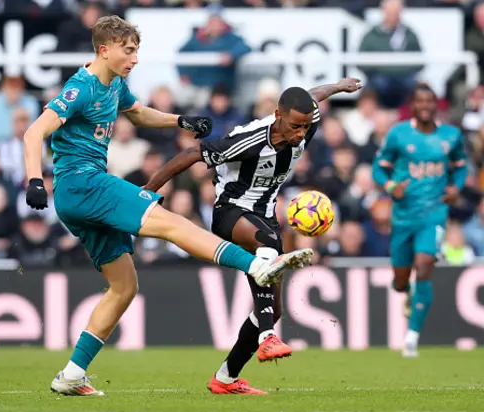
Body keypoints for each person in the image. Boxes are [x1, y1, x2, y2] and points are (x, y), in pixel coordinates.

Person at [23, 15, 289, 397]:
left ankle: (71, 374)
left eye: (136, 51)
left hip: (81, 195)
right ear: (104, 50)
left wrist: (180, 121)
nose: (134, 59)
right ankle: (256, 265)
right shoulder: (80, 88)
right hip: (83, 184)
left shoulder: (114, 84)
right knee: (171, 224)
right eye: (128, 51)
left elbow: (139, 113)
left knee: (124, 286)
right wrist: (34, 180)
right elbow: (35, 132)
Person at [144, 78, 363, 394]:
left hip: (265, 218)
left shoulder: (304, 126)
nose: (301, 134)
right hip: (230, 213)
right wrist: (149, 190)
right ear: (277, 115)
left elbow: (311, 97)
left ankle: (226, 378)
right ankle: (267, 338)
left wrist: (338, 86)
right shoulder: (250, 141)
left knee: (273, 310)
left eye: (305, 127)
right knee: (270, 246)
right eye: (295, 126)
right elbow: (193, 153)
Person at [372, 82, 467, 358]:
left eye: (430, 101)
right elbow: (379, 168)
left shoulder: (451, 136)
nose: (425, 106)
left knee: (425, 263)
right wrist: (391, 187)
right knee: (400, 282)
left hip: (434, 214)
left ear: (436, 105)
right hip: (403, 217)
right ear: (412, 105)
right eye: (420, 101)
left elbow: (460, 166)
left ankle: (411, 338)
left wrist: (455, 187)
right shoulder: (399, 135)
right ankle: (407, 292)